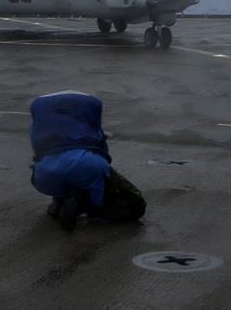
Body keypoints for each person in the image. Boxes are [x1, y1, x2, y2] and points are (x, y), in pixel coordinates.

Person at [29, 90, 146, 230]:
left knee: (56, 164)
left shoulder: (37, 125)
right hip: (88, 167)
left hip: (46, 176)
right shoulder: (89, 122)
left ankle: (59, 200)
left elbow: (38, 152)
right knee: (137, 208)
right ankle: (88, 206)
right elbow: (103, 152)